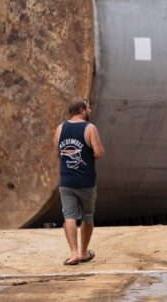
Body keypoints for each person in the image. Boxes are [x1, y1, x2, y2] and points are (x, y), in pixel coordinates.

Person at [54, 97, 105, 265]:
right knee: (87, 216)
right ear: (82, 110)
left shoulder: (60, 129)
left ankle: (74, 253)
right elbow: (98, 153)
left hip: (66, 181)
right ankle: (83, 253)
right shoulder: (90, 128)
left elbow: (58, 154)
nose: (89, 111)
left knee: (69, 216)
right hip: (86, 181)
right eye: (88, 108)